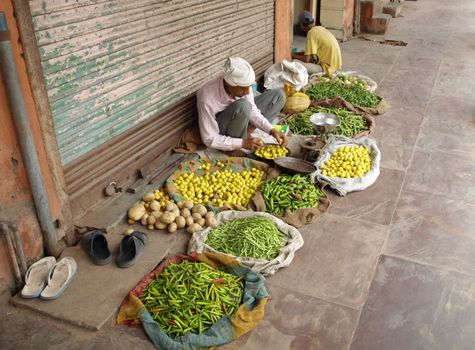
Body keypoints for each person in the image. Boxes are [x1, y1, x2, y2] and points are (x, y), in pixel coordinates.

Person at [196, 57, 288, 156]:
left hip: (241, 116)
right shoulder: (206, 98)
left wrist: (272, 130)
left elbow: (253, 112)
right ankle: (232, 146)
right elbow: (209, 138)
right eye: (243, 88)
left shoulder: (242, 87)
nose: (248, 92)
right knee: (243, 106)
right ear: (229, 84)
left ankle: (246, 133)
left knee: (279, 96)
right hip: (223, 127)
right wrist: (242, 143)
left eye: (249, 86)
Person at [291, 10, 342, 75]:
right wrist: (297, 53)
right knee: (304, 52)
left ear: (301, 25)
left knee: (294, 62)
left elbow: (306, 59)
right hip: (334, 66)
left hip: (326, 69)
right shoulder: (319, 28)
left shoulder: (311, 33)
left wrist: (292, 55)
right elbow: (311, 54)